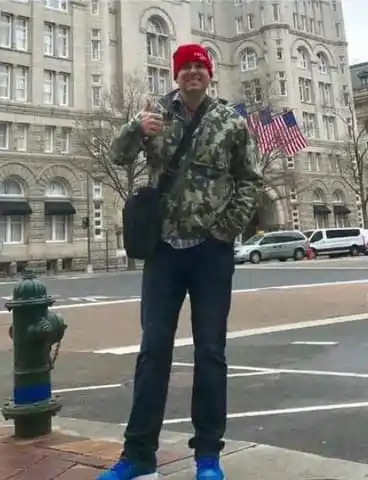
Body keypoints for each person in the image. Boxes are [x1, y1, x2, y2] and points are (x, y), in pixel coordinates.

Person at [97, 43, 262, 480]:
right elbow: (116, 155)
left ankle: (207, 456)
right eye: (185, 67)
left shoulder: (231, 121)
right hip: (164, 253)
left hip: (211, 254)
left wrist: (227, 228)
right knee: (153, 352)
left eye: (199, 67)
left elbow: (251, 180)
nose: (193, 72)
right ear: (176, 75)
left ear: (210, 74)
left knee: (211, 353)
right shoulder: (155, 115)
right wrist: (136, 126)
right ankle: (136, 456)